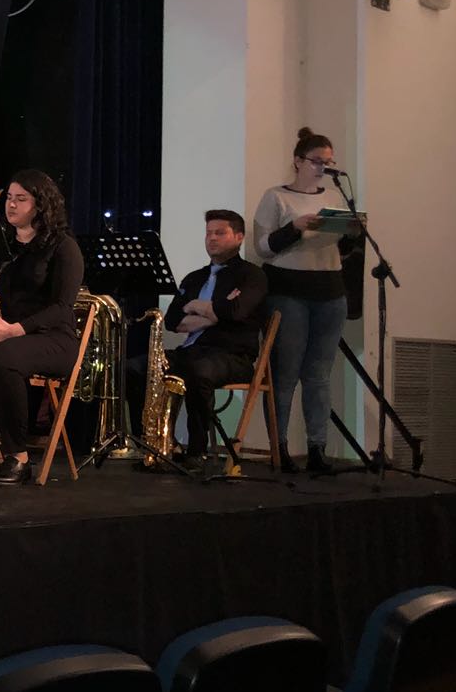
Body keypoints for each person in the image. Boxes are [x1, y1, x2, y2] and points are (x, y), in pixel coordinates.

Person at [0, 170, 84, 485]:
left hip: (53, 340)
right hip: (2, 336)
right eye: (9, 198)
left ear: (40, 204)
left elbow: (61, 308)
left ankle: (18, 456)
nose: (11, 205)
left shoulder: (63, 247)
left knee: (1, 360)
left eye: (21, 199)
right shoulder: (0, 247)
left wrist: (14, 330)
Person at [252, 127, 361, 474]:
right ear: (298, 161)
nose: (323, 169)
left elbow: (341, 247)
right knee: (285, 374)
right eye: (317, 162)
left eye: (329, 163)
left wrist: (349, 232)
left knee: (318, 375)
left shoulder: (334, 198)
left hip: (329, 290)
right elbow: (263, 248)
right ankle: (279, 448)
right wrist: (296, 227)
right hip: (288, 290)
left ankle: (317, 448)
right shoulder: (276, 197)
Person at [126, 210, 267, 463]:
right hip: (191, 351)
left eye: (220, 233)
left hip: (233, 355)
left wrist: (196, 306)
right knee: (135, 368)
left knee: (199, 372)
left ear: (239, 237)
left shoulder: (251, 275)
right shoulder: (195, 277)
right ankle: (151, 443)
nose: (211, 239)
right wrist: (214, 312)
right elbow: (172, 321)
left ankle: (197, 450)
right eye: (208, 233)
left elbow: (236, 312)